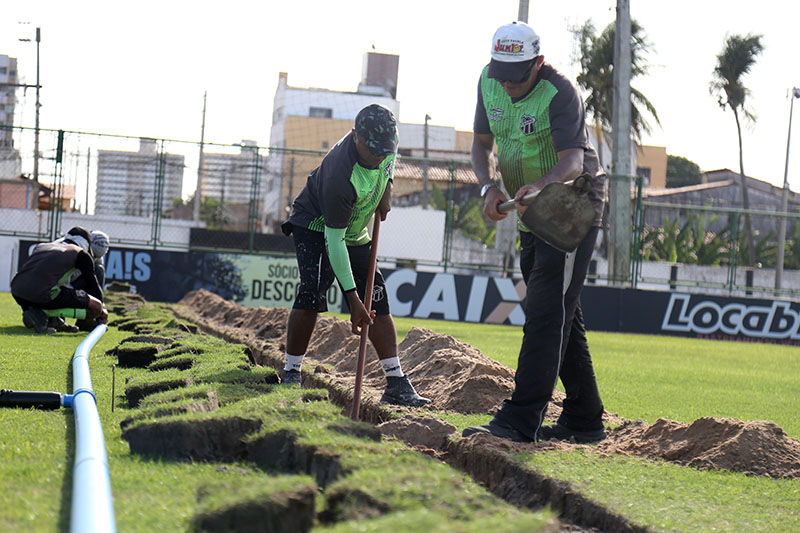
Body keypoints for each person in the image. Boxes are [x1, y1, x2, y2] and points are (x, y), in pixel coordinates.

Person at [462, 22, 607, 443]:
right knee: (562, 309)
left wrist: (541, 187)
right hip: (527, 210)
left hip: (570, 207)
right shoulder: (489, 83)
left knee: (545, 310)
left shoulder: (559, 92)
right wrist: (488, 186)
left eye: (517, 74)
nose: (507, 83)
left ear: (538, 63)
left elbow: (574, 161)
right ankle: (584, 417)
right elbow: (480, 145)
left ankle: (519, 419)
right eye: (500, 73)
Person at [280, 103, 430, 408]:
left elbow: (389, 161)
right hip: (317, 225)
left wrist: (387, 188)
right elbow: (335, 243)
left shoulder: (386, 142)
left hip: (356, 228)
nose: (378, 155)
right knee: (313, 291)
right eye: (372, 149)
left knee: (377, 294)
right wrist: (353, 300)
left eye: (383, 149)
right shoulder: (340, 175)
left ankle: (396, 382)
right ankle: (291, 371)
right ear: (355, 136)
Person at [11, 226, 109, 334]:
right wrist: (101, 309)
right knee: (96, 307)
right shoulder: (81, 254)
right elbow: (93, 284)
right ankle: (41, 314)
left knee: (50, 289)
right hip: (44, 293)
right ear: (87, 244)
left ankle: (37, 314)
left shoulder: (43, 246)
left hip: (17, 290)